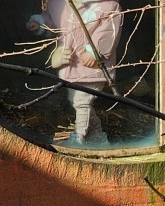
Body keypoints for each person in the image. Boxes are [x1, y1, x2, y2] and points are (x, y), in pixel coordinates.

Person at [27, 0, 123, 148]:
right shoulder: (58, 3)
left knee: (81, 102)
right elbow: (54, 20)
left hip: (92, 67)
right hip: (70, 64)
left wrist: (95, 51)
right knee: (77, 101)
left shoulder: (108, 6)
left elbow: (109, 31)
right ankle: (97, 135)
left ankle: (79, 138)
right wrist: (40, 23)